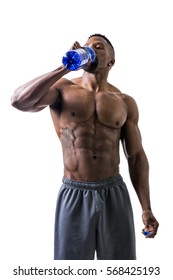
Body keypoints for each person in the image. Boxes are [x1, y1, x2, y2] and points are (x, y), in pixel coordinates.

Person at [11, 34, 159, 260]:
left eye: (98, 47)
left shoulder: (124, 101)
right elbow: (19, 101)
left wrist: (146, 208)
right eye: (87, 46)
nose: (90, 49)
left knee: (120, 268)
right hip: (74, 192)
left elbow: (136, 157)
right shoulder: (62, 89)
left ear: (111, 61)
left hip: (114, 193)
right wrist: (63, 68)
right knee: (71, 269)